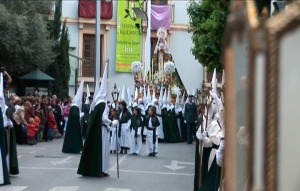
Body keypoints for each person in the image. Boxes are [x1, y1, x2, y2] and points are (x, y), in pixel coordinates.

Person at [78, 63, 111, 177]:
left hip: (96, 130)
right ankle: (102, 169)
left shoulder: (97, 104)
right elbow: (104, 118)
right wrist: (111, 123)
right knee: (103, 151)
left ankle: (94, 168)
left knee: (96, 149)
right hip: (102, 131)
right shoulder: (103, 105)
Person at [62, 81, 84, 154]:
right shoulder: (75, 107)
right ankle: (74, 148)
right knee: (74, 137)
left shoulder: (74, 106)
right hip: (74, 126)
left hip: (73, 125)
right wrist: (80, 115)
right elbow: (75, 115)